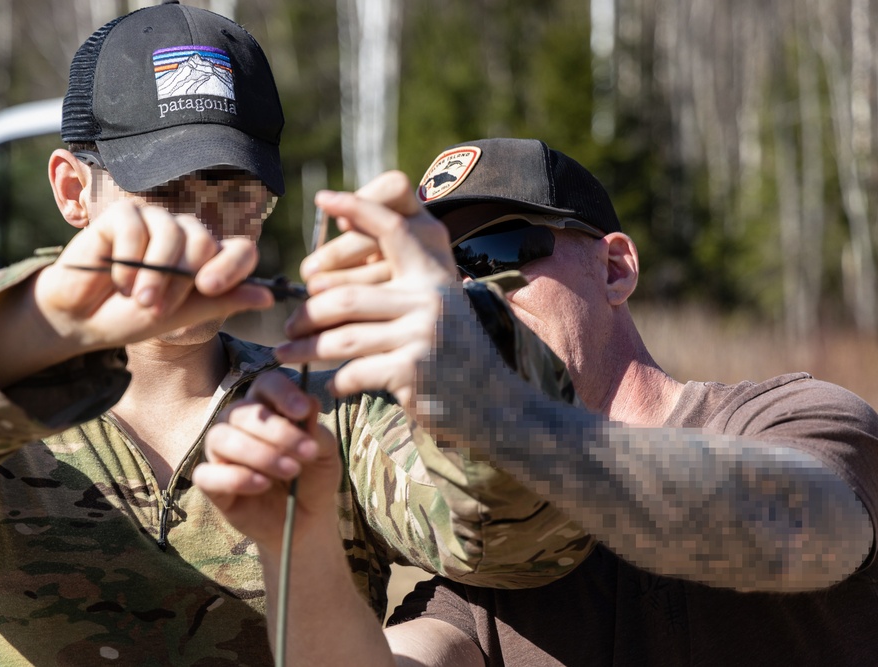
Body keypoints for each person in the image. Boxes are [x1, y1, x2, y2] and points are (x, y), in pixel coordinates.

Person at [0, 6, 592, 665]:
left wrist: (469, 358)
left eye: (236, 199)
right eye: (161, 195)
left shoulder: (328, 411)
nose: (200, 235)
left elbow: (524, 540)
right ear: (73, 190)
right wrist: (39, 324)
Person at [197, 139, 878, 666]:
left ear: (615, 269)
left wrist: (500, 413)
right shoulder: (495, 527)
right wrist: (303, 538)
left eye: (498, 251)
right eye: (445, 270)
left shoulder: (797, 417)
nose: (469, 294)